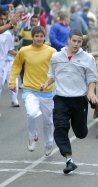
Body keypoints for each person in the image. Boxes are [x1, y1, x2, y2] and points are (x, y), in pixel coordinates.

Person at [40, 29, 98, 174]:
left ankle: (81, 130)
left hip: (79, 100)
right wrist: (46, 84)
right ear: (69, 40)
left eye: (79, 41)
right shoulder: (56, 57)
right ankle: (69, 159)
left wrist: (90, 91)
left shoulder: (88, 59)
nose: (77, 44)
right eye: (74, 41)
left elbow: (92, 79)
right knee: (60, 128)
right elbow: (52, 75)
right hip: (60, 99)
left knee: (80, 133)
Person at [9, 26, 56, 156]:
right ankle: (32, 136)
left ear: (44, 37)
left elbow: (59, 68)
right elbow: (16, 65)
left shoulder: (51, 51)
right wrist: (12, 81)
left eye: (41, 36)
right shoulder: (24, 51)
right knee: (31, 113)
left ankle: (49, 143)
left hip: (47, 92)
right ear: (32, 37)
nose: (39, 38)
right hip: (30, 90)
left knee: (48, 121)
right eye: (36, 36)